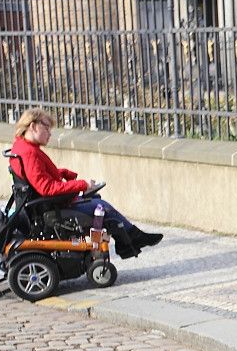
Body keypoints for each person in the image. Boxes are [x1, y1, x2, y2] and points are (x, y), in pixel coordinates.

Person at [9, 109, 162, 259]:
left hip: (44, 205)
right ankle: (131, 240)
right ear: (33, 126)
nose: (50, 133)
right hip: (51, 209)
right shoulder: (30, 153)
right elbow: (46, 188)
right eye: (47, 128)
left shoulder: (22, 147)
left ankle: (128, 242)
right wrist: (82, 184)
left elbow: (38, 175)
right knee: (102, 207)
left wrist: (63, 173)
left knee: (96, 199)